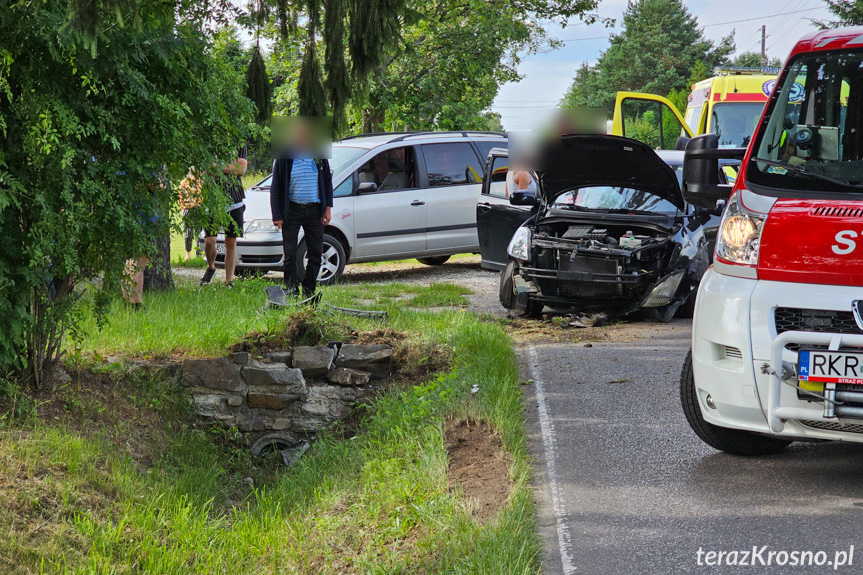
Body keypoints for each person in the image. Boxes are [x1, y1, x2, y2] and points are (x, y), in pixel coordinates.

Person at [269, 137, 333, 300]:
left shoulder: (319, 156)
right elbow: (275, 185)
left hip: (314, 210)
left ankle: (309, 290)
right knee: (290, 253)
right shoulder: (284, 157)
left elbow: (327, 180)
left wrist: (327, 208)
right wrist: (277, 214)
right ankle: (291, 289)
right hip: (292, 209)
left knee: (316, 253)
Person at [201, 145, 248, 288]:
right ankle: (211, 267)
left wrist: (217, 168)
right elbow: (205, 168)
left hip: (234, 199)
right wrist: (229, 168)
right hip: (212, 199)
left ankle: (229, 281)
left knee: (231, 241)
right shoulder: (210, 140)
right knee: (210, 240)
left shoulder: (239, 142)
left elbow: (241, 169)